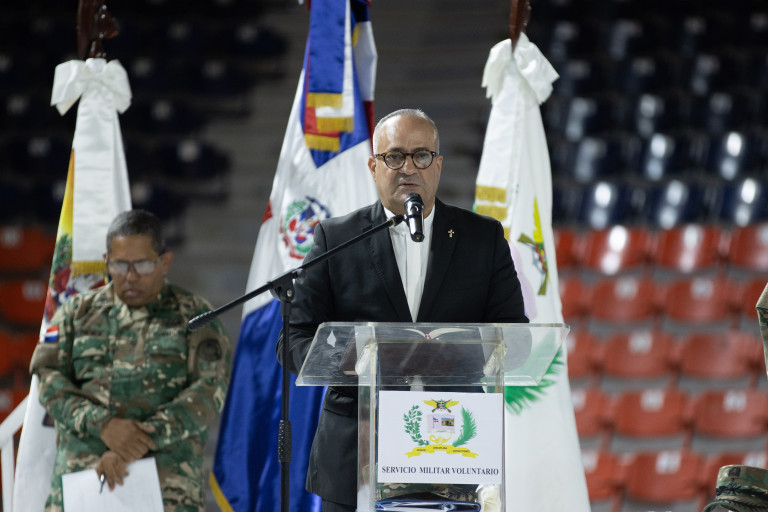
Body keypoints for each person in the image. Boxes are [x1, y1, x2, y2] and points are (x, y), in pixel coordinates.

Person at [277, 108, 528, 511]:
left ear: (438, 165)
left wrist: (456, 354)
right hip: (356, 455)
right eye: (394, 156)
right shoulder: (336, 239)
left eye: (421, 155)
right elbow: (293, 339)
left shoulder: (483, 238)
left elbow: (515, 338)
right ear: (373, 166)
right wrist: (355, 360)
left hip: (454, 450)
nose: (408, 167)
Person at [29, 209, 232, 512]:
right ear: (106, 260)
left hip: (168, 488)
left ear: (165, 262)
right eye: (121, 264)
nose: (131, 275)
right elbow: (48, 378)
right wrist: (103, 426)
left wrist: (137, 442)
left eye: (143, 264)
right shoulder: (75, 313)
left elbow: (210, 390)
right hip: (82, 482)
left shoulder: (195, 316)